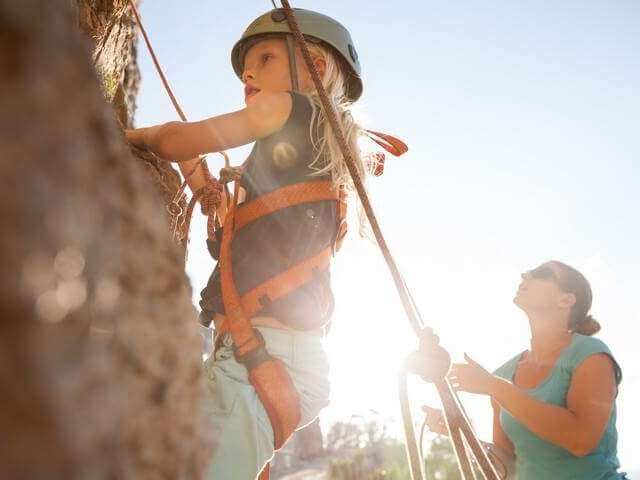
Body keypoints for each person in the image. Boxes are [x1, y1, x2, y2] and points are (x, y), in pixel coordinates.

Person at [126, 7, 377, 479]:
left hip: (259, 355)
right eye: (248, 65)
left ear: (316, 68)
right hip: (266, 352)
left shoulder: (289, 108)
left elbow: (178, 139)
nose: (248, 71)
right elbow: (254, 244)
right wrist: (204, 185)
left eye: (264, 58)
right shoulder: (314, 148)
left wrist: (123, 134)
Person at [423, 260, 625, 480]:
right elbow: (507, 465)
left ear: (565, 300)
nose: (525, 275)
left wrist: (494, 387)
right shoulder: (503, 374)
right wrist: (460, 434)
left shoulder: (591, 355)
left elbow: (580, 440)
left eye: (541, 273)